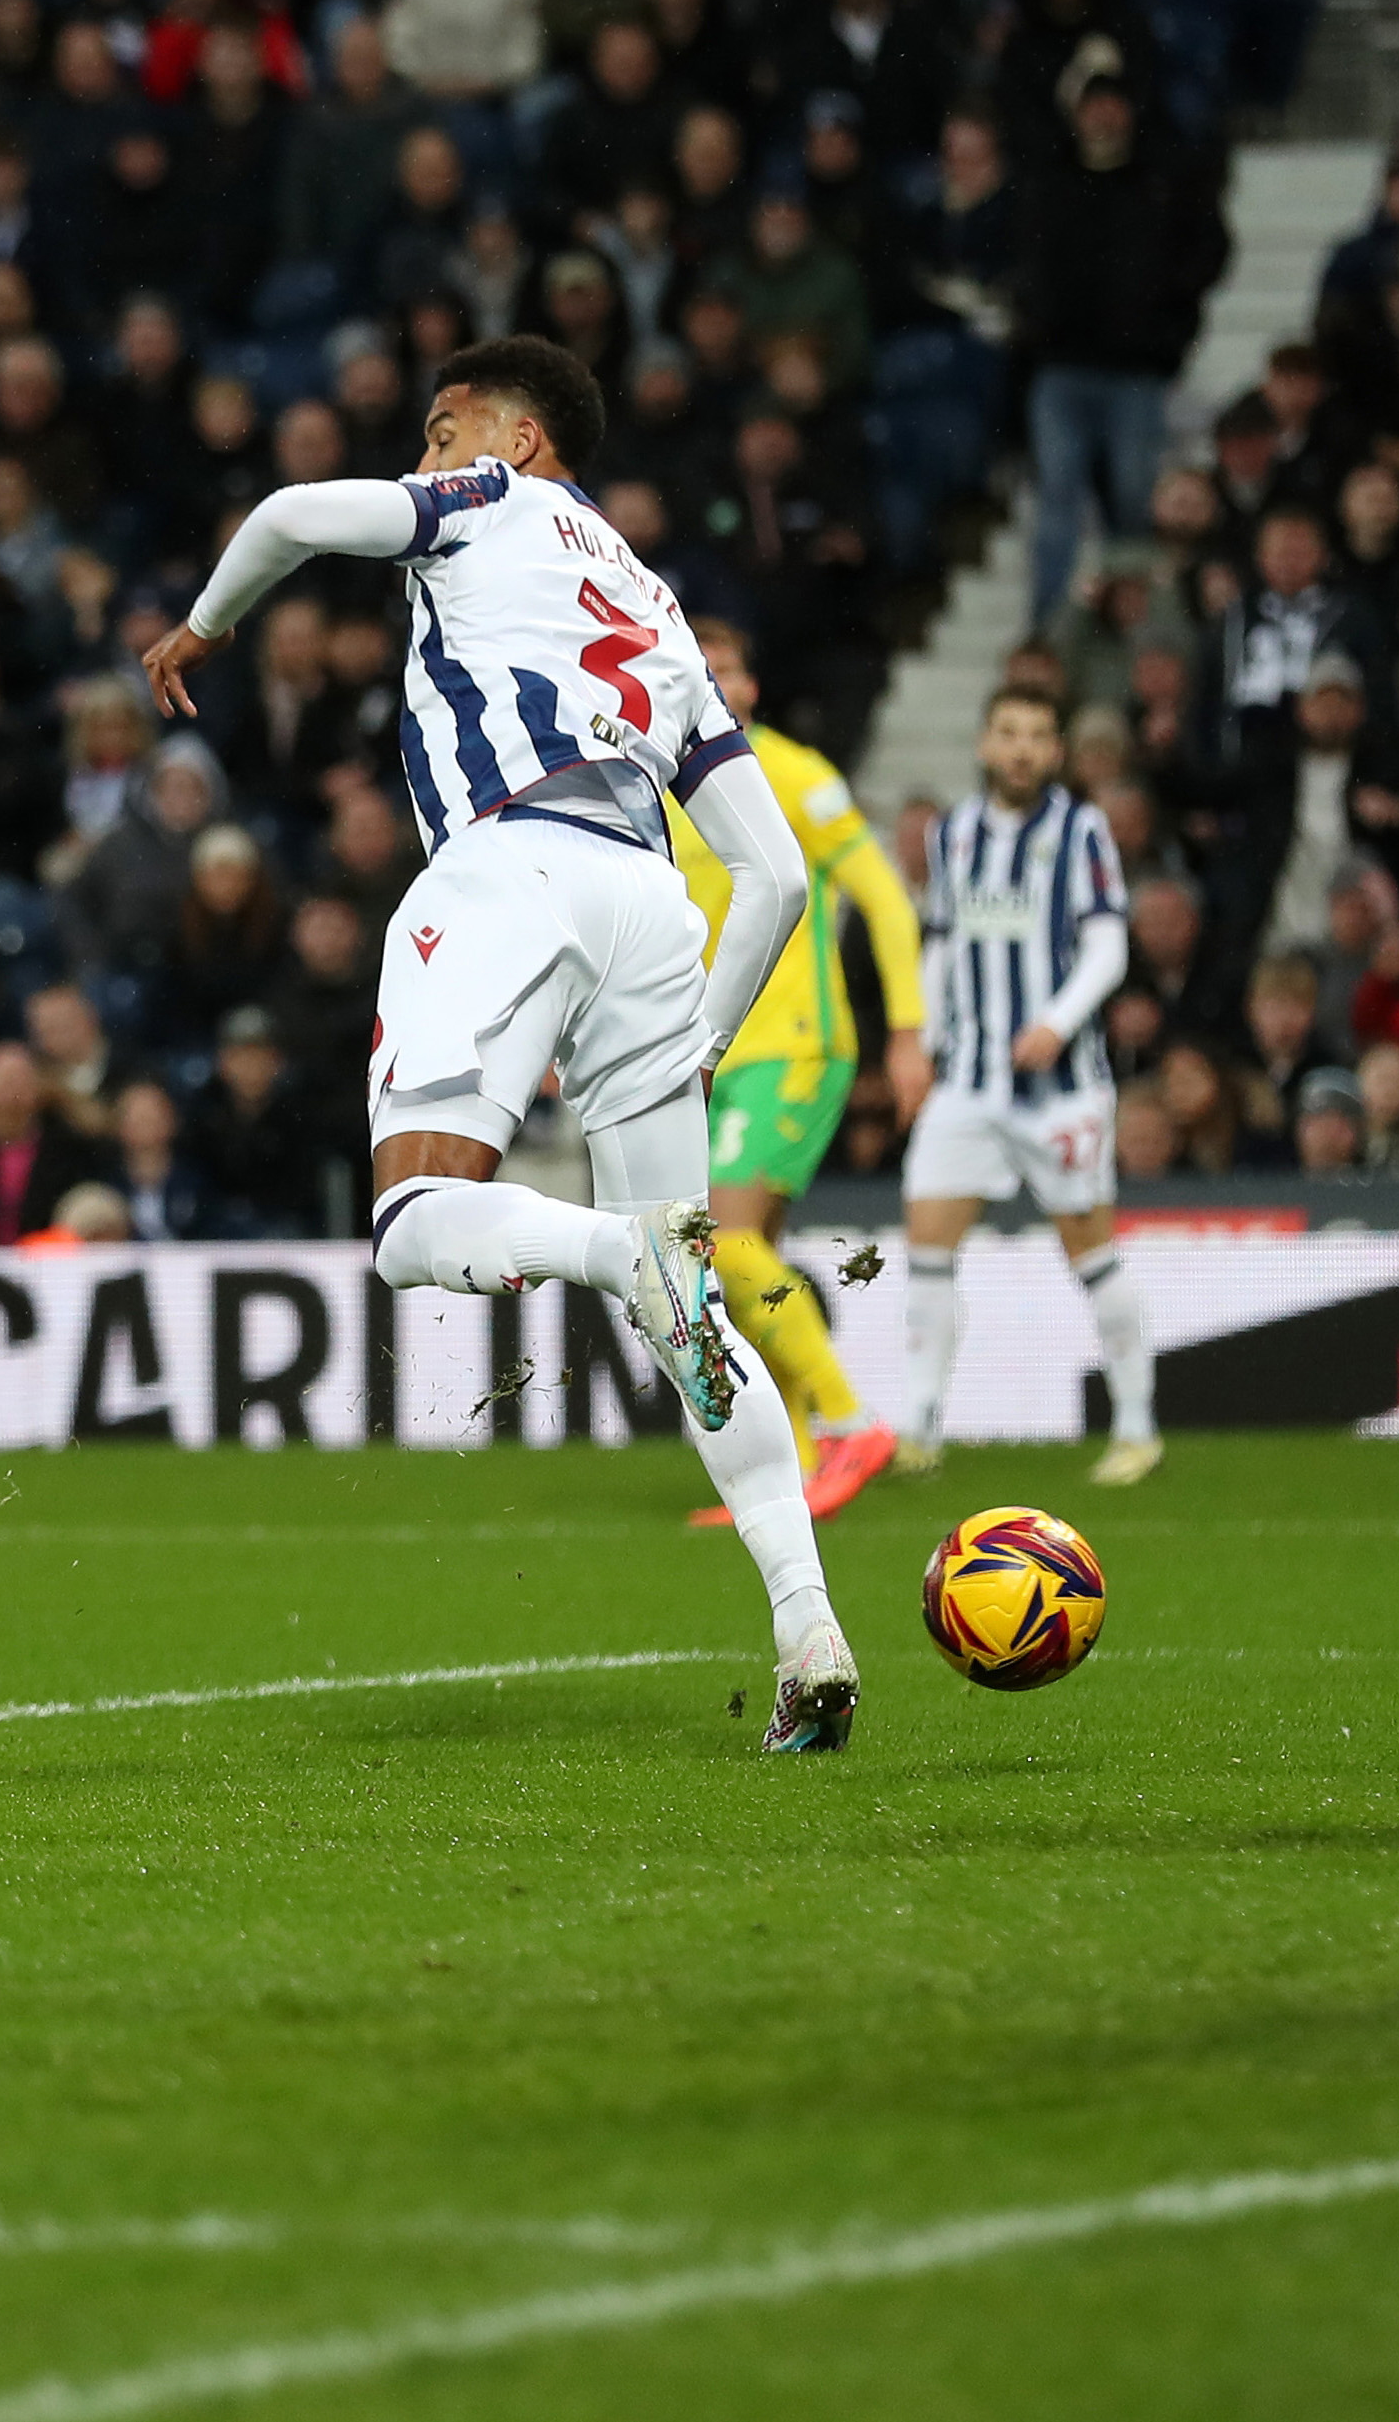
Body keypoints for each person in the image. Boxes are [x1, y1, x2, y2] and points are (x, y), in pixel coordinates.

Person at [140, 335, 860, 1753]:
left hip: (508, 865)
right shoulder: (659, 611)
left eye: (443, 426)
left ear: (516, 442)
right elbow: (772, 875)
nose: (423, 455)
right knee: (686, 1303)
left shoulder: (479, 503)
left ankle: (613, 1247)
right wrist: (697, 1044)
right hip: (652, 908)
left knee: (415, 1222)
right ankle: (806, 1625)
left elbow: (287, 517)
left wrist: (205, 626)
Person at [671, 619, 929, 1525]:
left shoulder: (792, 774)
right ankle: (806, 1461)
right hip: (710, 1054)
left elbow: (885, 898)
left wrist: (906, 1031)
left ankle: (851, 1421)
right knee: (743, 1265)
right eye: (704, 668)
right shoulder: (661, 791)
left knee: (724, 1245)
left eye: (732, 669)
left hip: (797, 1044)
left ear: (751, 687)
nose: (719, 683)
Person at [899, 685, 1154, 1488]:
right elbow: (940, 939)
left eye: (1038, 735)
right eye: (1007, 732)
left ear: (1056, 751)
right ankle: (921, 1423)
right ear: (984, 743)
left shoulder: (1081, 830)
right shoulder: (956, 833)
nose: (1021, 748)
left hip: (1062, 1089)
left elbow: (1109, 945)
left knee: (1093, 1254)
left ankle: (1138, 1427)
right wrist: (925, 1036)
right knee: (928, 1250)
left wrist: (1056, 1020)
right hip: (968, 1083)